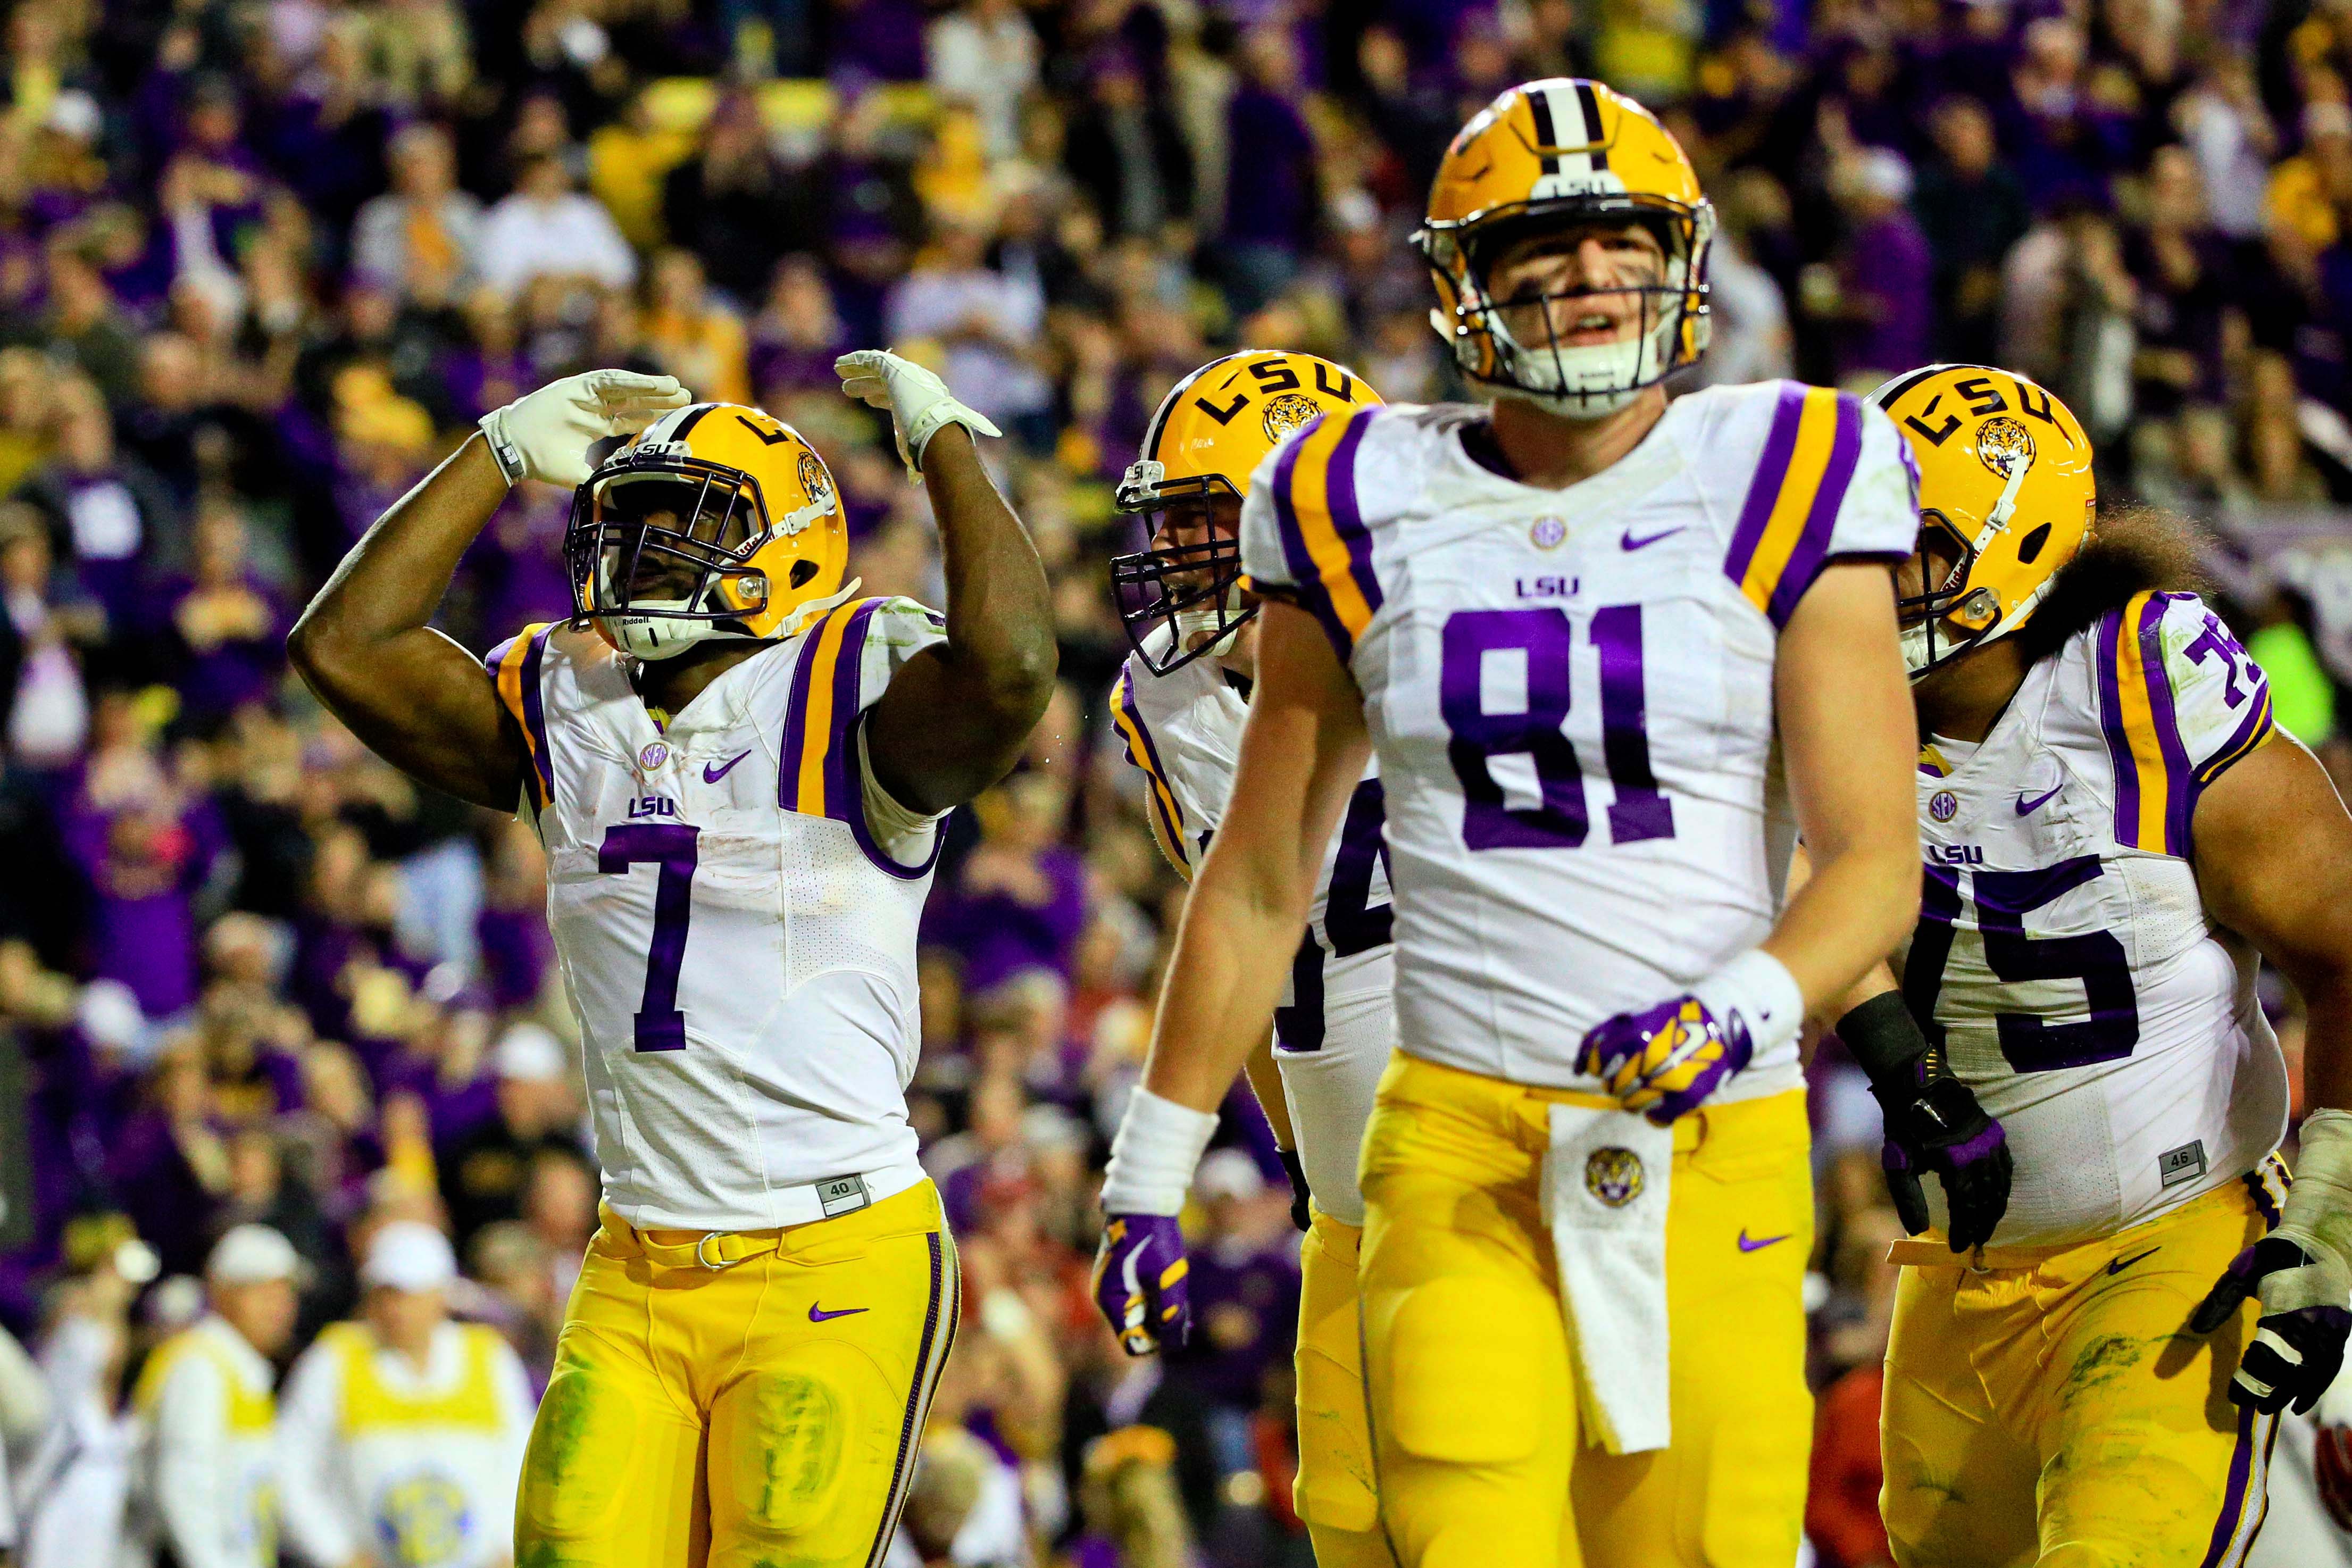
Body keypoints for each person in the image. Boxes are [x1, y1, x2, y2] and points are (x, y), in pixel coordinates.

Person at [1093, 79, 1923, 1568]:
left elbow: (1869, 856)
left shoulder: (1795, 464)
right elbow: (1258, 872)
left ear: (1679, 255)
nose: (1588, 272)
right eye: (1540, 241)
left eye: (1617, 235)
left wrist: (1736, 1011)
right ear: (1459, 279)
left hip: (1709, 1133)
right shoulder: (1351, 495)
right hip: (1451, 1143)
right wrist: (1145, 1170)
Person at [285, 355, 1056, 1564]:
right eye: (630, 527)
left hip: (831, 1260)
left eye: (681, 529)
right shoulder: (571, 700)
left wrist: (948, 447)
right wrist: (489, 451)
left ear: (792, 547)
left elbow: (1010, 666)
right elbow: (344, 642)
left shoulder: (845, 686)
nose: (635, 559)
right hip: (637, 1266)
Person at [1832, 363, 2352, 1567]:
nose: (1865, 574)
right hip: (1954, 1278)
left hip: (2164, 1247)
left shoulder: (2129, 689)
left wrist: (2328, 1214)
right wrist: (1894, 1057)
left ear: (2014, 546)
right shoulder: (1822, 698)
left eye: (1907, 542)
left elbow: (2340, 944)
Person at [1096, 346, 1390, 1568]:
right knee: (1353, 1530)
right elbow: (1255, 948)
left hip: (1500, 1169)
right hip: (1346, 1213)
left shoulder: (1464, 650)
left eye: (1207, 522)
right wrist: (1304, 1169)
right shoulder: (1161, 698)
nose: (1175, 553)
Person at [279, 1221, 535, 1568]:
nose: (395, 1308)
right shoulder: (335, 1359)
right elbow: (289, 1467)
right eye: (384, 1293)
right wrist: (337, 1553)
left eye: (408, 1293)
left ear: (442, 1295)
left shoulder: (489, 1357)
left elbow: (521, 1459)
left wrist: (508, 1546)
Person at [133, 1224, 301, 1568]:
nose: (280, 1307)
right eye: (262, 1292)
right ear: (220, 1293)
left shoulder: (240, 1366)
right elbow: (184, 1490)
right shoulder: (200, 1366)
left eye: (285, 1292)